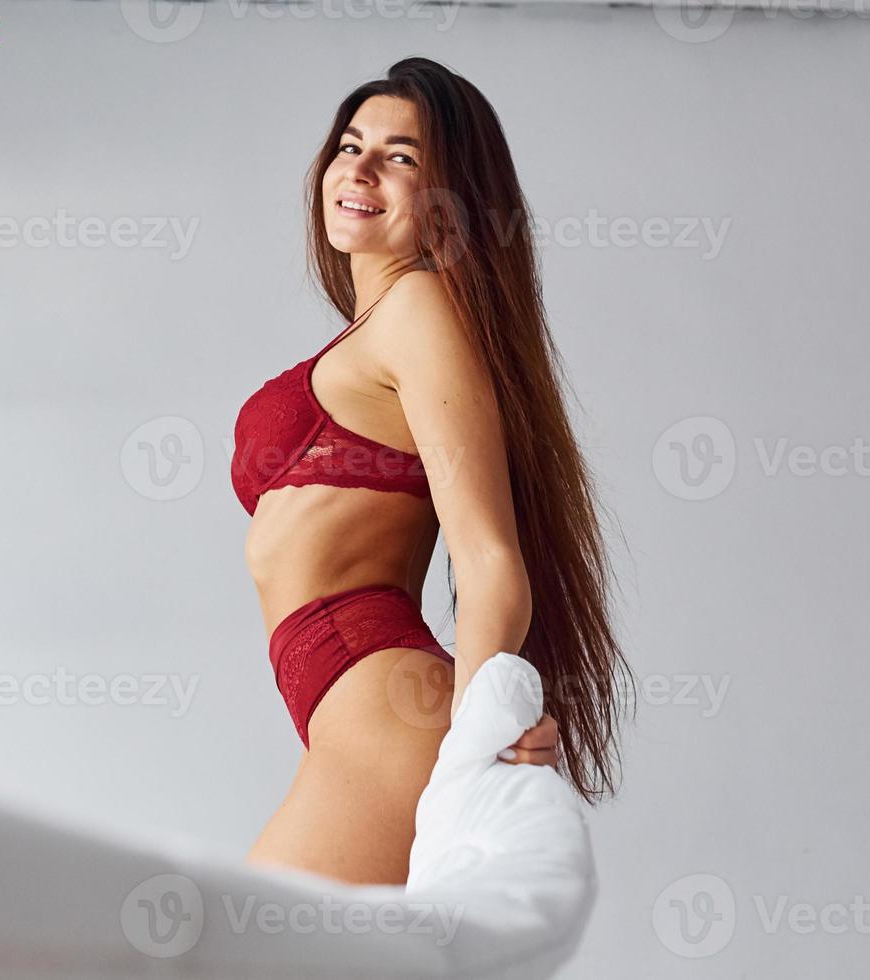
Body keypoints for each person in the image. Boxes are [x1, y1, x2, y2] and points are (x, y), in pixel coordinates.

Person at [236, 57, 632, 884]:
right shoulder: (375, 329)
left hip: (380, 704)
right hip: (347, 705)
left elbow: (488, 557)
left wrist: (473, 742)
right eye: (350, 144)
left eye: (402, 156)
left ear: (448, 203)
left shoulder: (417, 309)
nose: (361, 167)